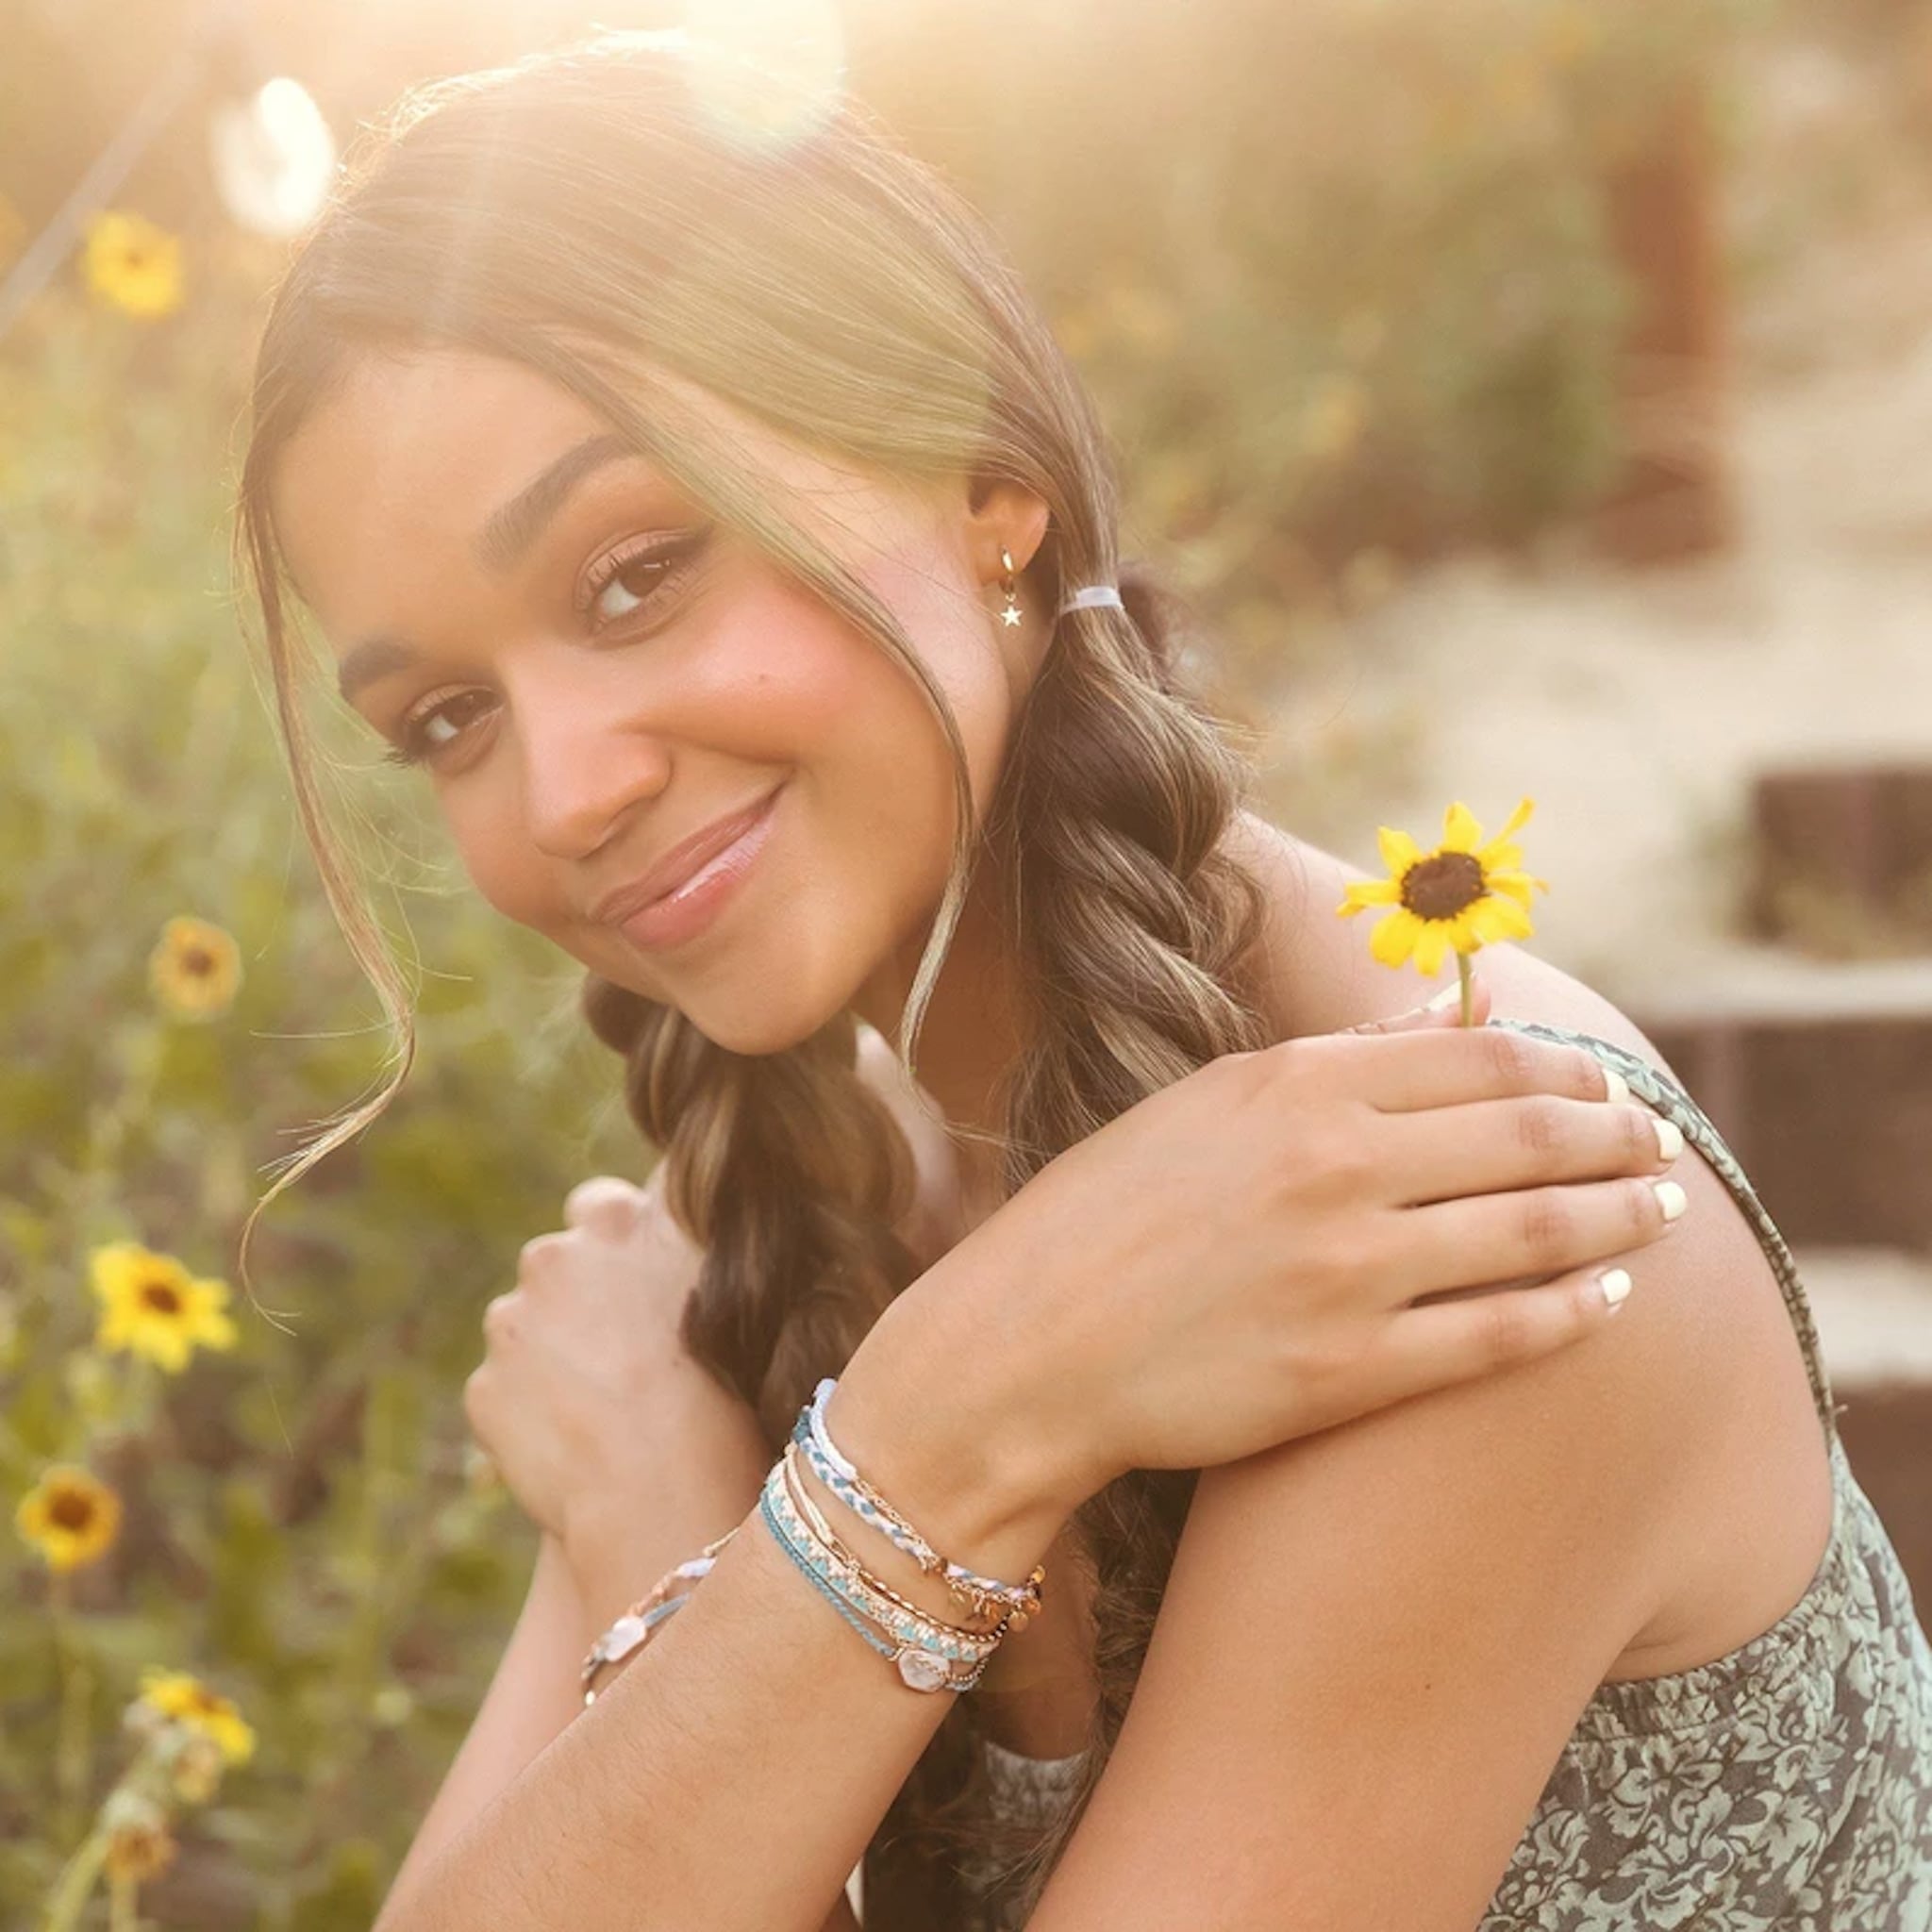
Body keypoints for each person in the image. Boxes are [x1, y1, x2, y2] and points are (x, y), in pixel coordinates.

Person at [233, 27, 1932, 1931]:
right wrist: (728, 1523)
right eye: (448, 716)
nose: (564, 789)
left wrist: (907, 1434)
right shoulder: (800, 1210)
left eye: (635, 572)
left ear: (983, 476)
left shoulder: (1468, 1191)